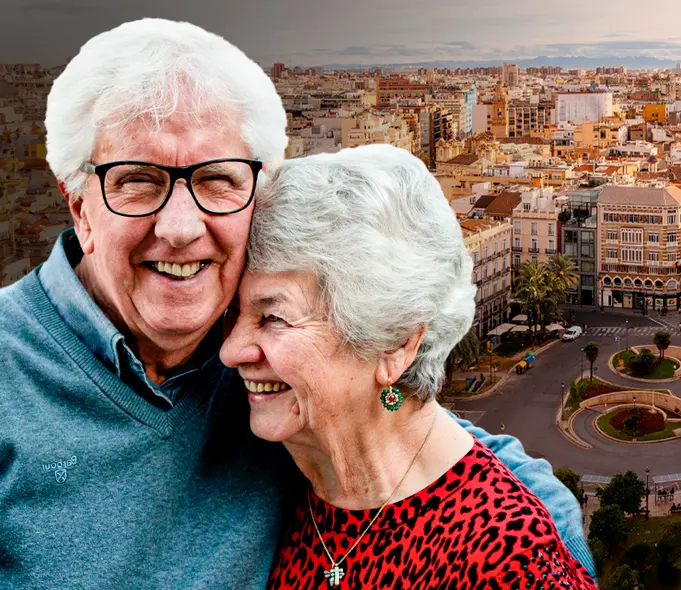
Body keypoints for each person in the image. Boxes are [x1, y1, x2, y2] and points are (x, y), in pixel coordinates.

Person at [0, 19, 594, 587]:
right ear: (78, 205)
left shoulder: (235, 343)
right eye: (135, 179)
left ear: (251, 192)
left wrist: (542, 540)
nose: (180, 228)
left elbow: (399, 424)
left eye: (216, 179)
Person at [222, 147, 597, 587]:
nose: (232, 350)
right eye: (233, 313)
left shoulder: (506, 556)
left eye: (274, 318)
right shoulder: (296, 481)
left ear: (394, 345)